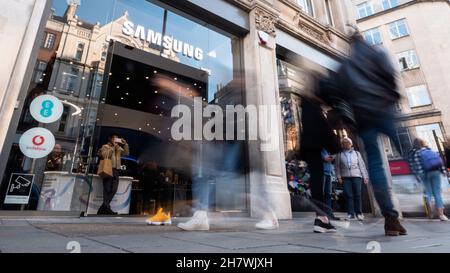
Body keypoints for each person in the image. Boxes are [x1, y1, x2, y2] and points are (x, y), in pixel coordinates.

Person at [300, 97, 340, 233]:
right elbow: (320, 126)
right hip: (313, 146)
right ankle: (321, 219)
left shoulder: (308, 104)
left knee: (317, 182)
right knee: (317, 182)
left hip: (311, 147)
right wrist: (334, 143)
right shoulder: (311, 103)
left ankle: (322, 218)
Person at [408, 138, 448, 221]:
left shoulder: (412, 153)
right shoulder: (429, 150)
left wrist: (416, 175)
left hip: (422, 174)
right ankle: (441, 215)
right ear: (423, 143)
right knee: (437, 193)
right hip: (435, 171)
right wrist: (443, 171)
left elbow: (412, 165)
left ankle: (430, 212)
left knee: (428, 193)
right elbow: (439, 161)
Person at [334, 137, 369, 221]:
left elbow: (362, 165)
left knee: (357, 194)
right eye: (344, 143)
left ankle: (359, 213)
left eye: (348, 142)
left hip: (357, 176)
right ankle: (350, 213)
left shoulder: (357, 153)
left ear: (351, 144)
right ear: (342, 145)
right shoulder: (339, 154)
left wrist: (365, 176)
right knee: (348, 195)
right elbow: (337, 167)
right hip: (345, 177)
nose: (346, 144)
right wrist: (338, 177)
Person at [97, 133, 129, 215]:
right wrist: (112, 148)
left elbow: (126, 153)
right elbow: (105, 155)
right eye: (114, 138)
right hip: (108, 169)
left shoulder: (118, 148)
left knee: (114, 189)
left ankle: (103, 209)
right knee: (107, 189)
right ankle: (107, 209)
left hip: (116, 170)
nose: (116, 140)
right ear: (110, 139)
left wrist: (125, 144)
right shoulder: (105, 146)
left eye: (117, 138)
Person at [322, 149, 340, 220]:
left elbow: (330, 159)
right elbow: (326, 158)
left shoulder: (328, 150)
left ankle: (329, 214)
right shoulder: (321, 149)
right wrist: (332, 157)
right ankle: (322, 214)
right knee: (322, 194)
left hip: (328, 172)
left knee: (328, 194)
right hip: (322, 172)